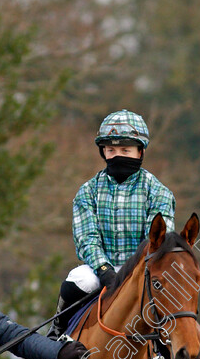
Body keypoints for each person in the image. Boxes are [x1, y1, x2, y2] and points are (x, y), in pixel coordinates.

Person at [48, 109, 175, 338]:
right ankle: (58, 330)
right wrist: (104, 268)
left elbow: (157, 241)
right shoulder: (87, 191)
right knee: (78, 279)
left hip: (143, 270)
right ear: (103, 152)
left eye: (125, 150)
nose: (117, 156)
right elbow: (86, 238)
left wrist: (135, 270)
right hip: (101, 270)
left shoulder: (159, 192)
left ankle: (173, 358)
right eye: (111, 150)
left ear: (140, 151)